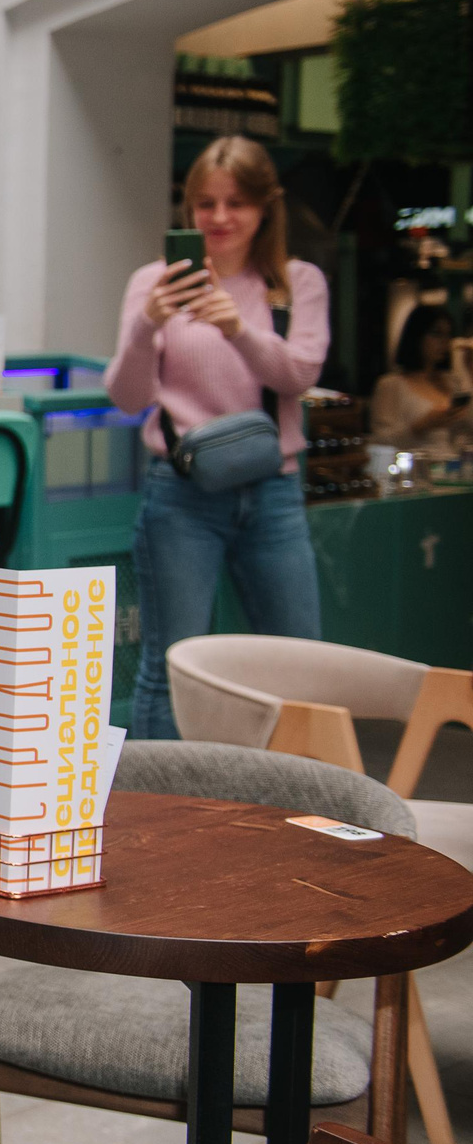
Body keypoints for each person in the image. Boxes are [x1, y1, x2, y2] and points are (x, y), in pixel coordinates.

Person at [106, 135, 329, 741]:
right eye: (205, 203)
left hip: (274, 493)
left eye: (237, 203)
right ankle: (159, 797)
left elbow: (298, 376)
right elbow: (127, 396)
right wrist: (147, 324)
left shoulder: (296, 283)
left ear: (265, 208)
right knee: (171, 668)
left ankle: (293, 795)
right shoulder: (153, 283)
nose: (220, 217)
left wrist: (239, 329)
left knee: (301, 664)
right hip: (180, 495)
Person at [371, 304, 471, 452]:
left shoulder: (452, 381)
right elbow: (380, 441)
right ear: (417, 336)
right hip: (416, 463)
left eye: (448, 335)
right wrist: (421, 426)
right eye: (436, 334)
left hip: (453, 462)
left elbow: (467, 430)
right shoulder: (391, 384)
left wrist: (468, 370)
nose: (444, 342)